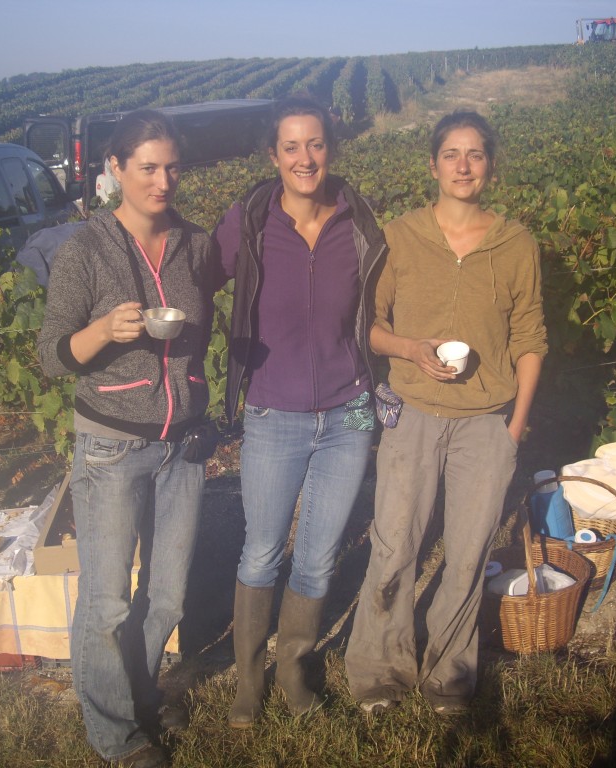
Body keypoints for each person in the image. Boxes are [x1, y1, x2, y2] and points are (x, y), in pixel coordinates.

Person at [344, 111, 548, 715]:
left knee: (466, 553)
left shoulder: (516, 244)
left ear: (489, 166)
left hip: (487, 422)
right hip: (412, 413)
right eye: (452, 154)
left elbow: (531, 335)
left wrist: (515, 426)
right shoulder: (401, 236)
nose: (463, 165)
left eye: (476, 154)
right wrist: (411, 349)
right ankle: (380, 669)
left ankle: (450, 675)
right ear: (432, 165)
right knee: (395, 546)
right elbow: (369, 326)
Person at [38, 110, 216, 768]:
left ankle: (138, 693)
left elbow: (208, 324)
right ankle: (113, 732)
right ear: (115, 168)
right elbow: (53, 355)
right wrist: (102, 334)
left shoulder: (195, 245)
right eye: (147, 167)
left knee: (166, 592)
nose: (162, 180)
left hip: (184, 444)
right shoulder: (85, 249)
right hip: (112, 442)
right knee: (108, 597)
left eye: (171, 167)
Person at [212, 96, 387, 728]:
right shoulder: (249, 222)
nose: (304, 157)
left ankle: (295, 672)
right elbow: (195, 284)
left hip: (351, 413)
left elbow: (386, 305)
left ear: (330, 150)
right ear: (273, 156)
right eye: (291, 146)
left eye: (315, 144)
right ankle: (248, 683)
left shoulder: (359, 222)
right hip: (271, 413)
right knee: (262, 552)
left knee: (319, 552)